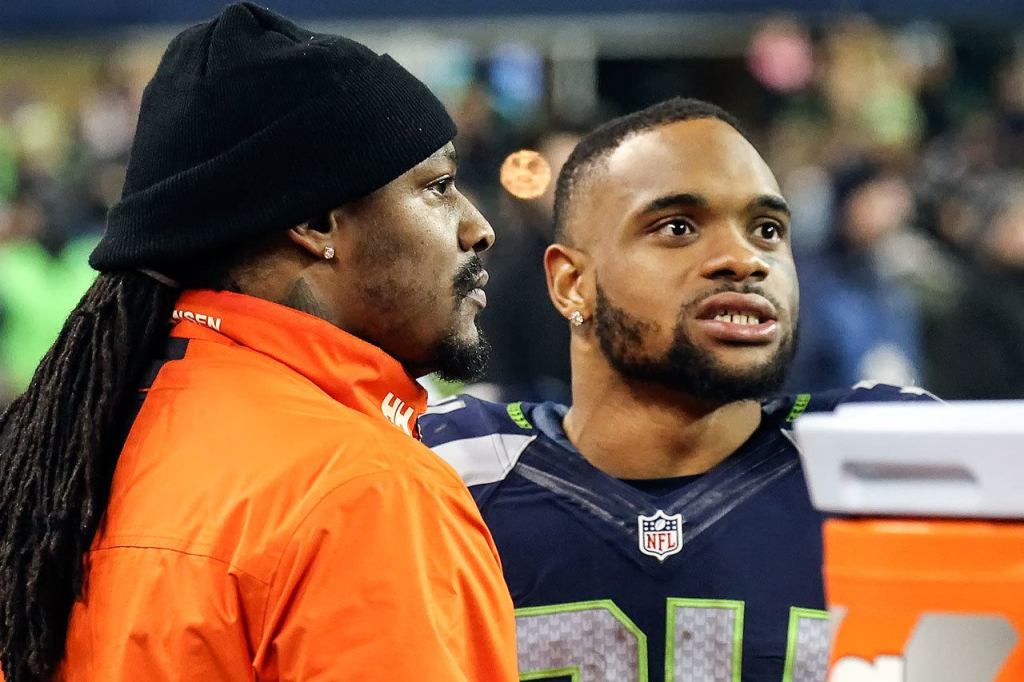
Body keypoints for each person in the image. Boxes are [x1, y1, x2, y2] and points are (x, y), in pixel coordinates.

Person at [0, 4, 517, 681]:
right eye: (439, 187)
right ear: (314, 221)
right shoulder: (364, 496)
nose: (477, 227)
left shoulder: (65, 453)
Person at [421, 98, 937, 682]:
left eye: (767, 230)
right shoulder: (445, 473)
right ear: (571, 283)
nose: (745, 260)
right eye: (678, 227)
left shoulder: (893, 455)